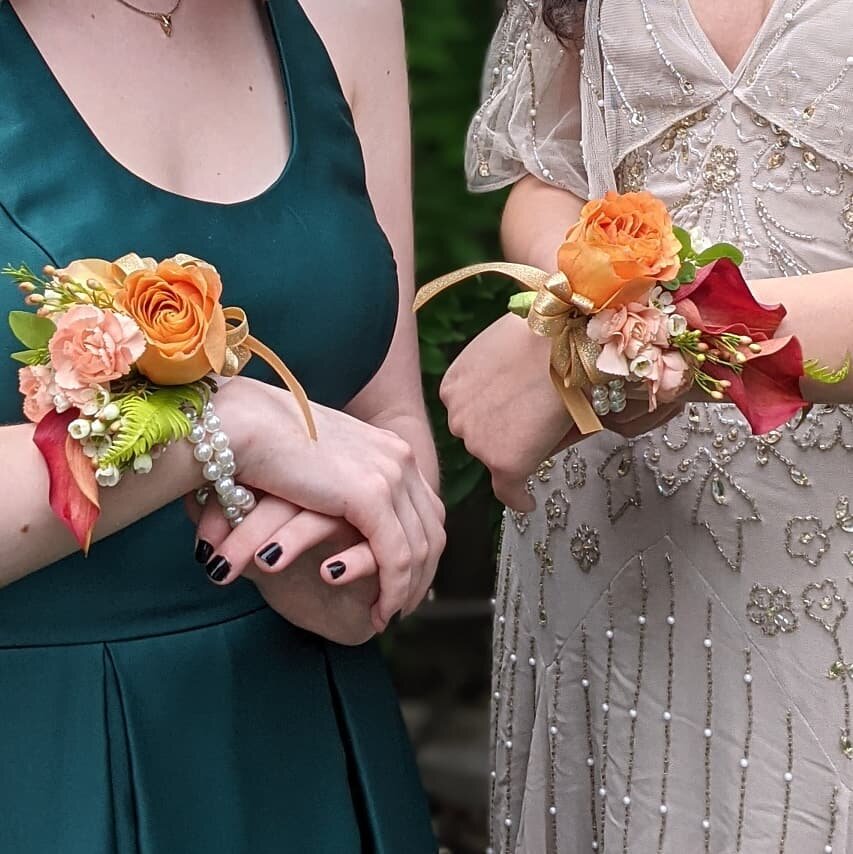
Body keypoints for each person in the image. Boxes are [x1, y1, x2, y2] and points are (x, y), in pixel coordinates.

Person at [0, 0, 444, 850]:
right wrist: (220, 428)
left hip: (298, 731)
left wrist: (358, 564)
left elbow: (386, 419)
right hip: (30, 758)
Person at [440, 0, 853, 850]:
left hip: (825, 531)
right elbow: (548, 169)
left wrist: (638, 344)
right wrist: (583, 319)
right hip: (605, 512)